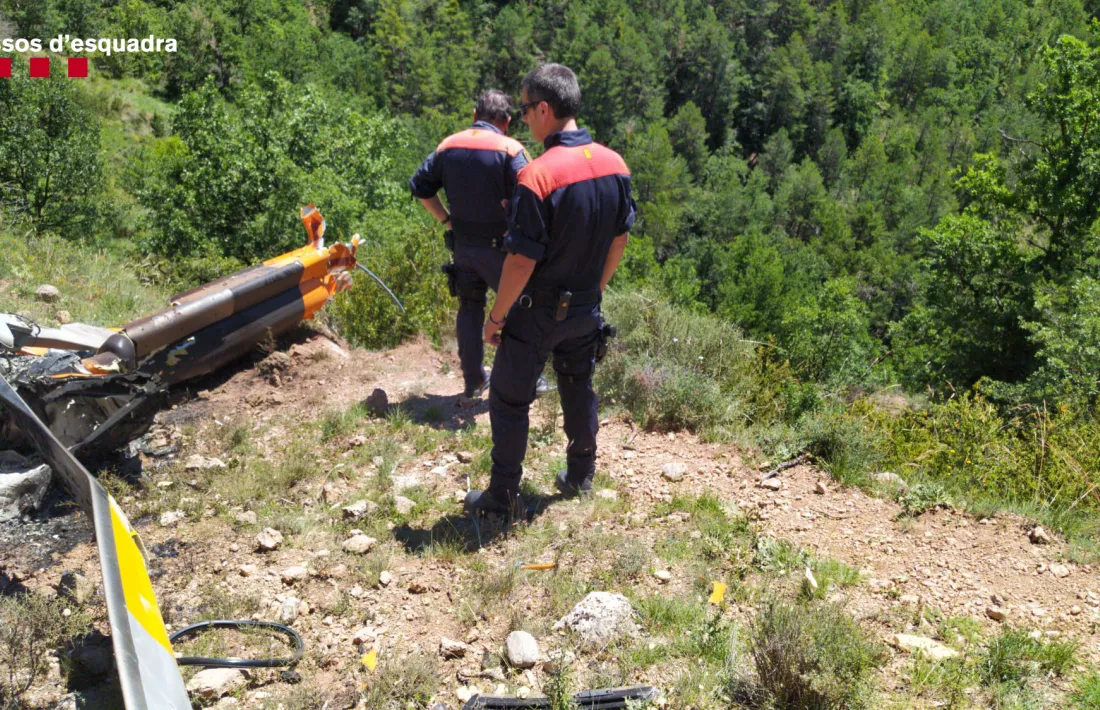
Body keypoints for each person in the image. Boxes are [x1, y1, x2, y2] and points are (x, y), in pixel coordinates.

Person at [465, 63, 635, 520]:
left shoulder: (538, 176)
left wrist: (496, 317)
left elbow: (521, 261)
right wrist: (594, 290)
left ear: (545, 108)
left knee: (508, 397)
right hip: (585, 306)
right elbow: (620, 238)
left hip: (536, 312)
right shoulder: (615, 165)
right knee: (578, 386)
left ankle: (502, 496)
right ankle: (579, 478)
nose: (523, 120)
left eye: (525, 110)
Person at [409, 90, 549, 400]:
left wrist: (446, 220)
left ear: (475, 115)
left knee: (469, 308)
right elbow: (532, 193)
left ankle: (473, 380)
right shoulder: (511, 149)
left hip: (462, 245)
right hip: (500, 248)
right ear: (507, 122)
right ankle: (525, 380)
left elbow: (420, 187)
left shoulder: (448, 146)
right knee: (521, 306)